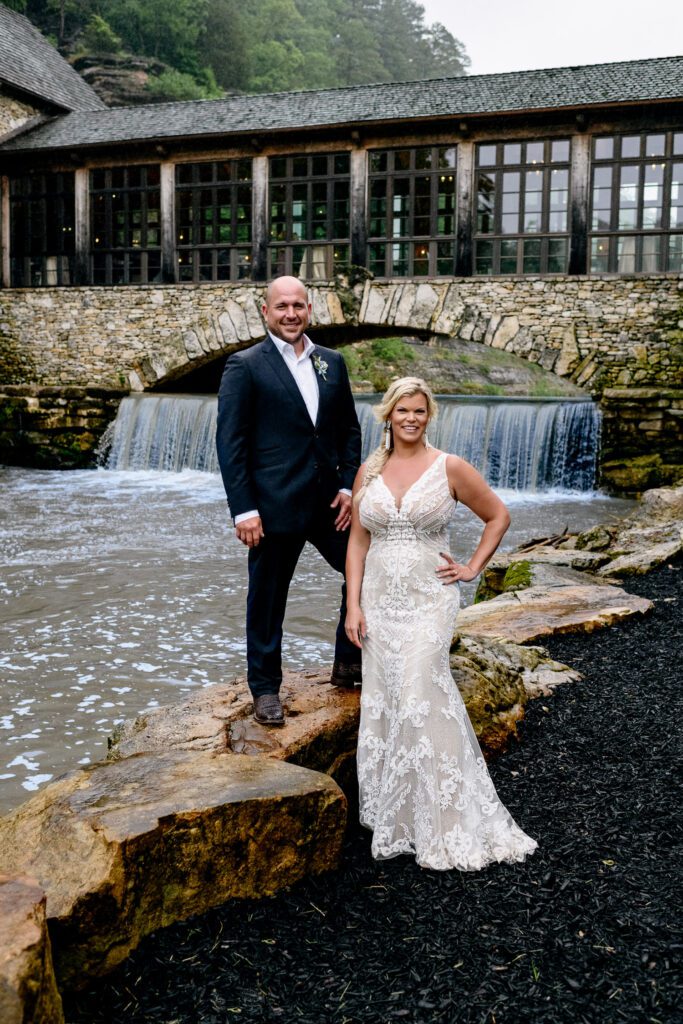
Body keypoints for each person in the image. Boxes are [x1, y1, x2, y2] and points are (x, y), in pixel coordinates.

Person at [345, 377, 538, 871]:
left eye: (419, 412)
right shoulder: (370, 468)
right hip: (380, 602)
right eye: (402, 410)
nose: (411, 418)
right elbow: (358, 544)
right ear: (388, 414)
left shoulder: (449, 466)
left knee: (419, 691)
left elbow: (498, 515)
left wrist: (472, 568)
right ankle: (400, 816)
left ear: (429, 416)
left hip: (431, 598)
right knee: (386, 700)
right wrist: (353, 605)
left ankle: (448, 819)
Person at [216, 276, 362, 727]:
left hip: (328, 505)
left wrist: (347, 486)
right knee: (267, 601)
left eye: (298, 305)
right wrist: (244, 509)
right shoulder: (245, 365)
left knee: (367, 571)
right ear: (266, 312)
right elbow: (231, 443)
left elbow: (349, 431)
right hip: (272, 507)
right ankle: (264, 689)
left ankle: (348, 664)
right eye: (282, 306)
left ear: (310, 310)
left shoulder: (331, 363)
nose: (291, 313)